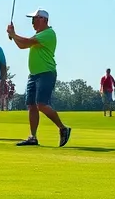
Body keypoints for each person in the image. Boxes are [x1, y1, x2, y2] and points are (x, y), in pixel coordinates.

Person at [7, 8, 71, 147]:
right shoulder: (38, 35)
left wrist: (14, 34)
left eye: (35, 19)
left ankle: (63, 128)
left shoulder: (48, 33)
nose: (32, 22)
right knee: (31, 105)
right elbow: (22, 45)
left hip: (46, 73)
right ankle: (33, 137)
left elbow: (26, 42)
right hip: (34, 75)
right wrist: (13, 36)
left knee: (41, 104)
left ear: (44, 20)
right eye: (32, 19)